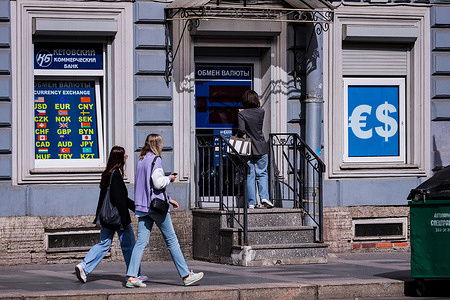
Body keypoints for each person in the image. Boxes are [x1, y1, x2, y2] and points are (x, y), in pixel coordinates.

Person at [125, 134, 204, 288]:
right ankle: (186, 275)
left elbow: (146, 186)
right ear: (158, 145)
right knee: (172, 241)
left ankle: (132, 276)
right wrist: (170, 179)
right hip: (156, 209)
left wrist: (169, 199)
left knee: (140, 242)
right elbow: (158, 183)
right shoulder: (156, 160)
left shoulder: (141, 160)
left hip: (143, 207)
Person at [75, 146, 147, 283]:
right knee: (129, 245)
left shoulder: (107, 174)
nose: (126, 158)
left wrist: (99, 216)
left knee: (104, 244)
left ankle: (84, 266)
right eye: (125, 156)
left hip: (107, 217)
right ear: (120, 158)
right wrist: (132, 213)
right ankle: (134, 274)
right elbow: (121, 199)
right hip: (118, 218)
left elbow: (103, 198)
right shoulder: (116, 176)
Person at [237, 90, 274, 209]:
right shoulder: (261, 112)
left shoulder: (242, 114)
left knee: (250, 175)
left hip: (248, 148)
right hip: (261, 146)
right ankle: (264, 198)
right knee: (262, 173)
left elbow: (242, 130)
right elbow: (255, 117)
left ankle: (252, 202)